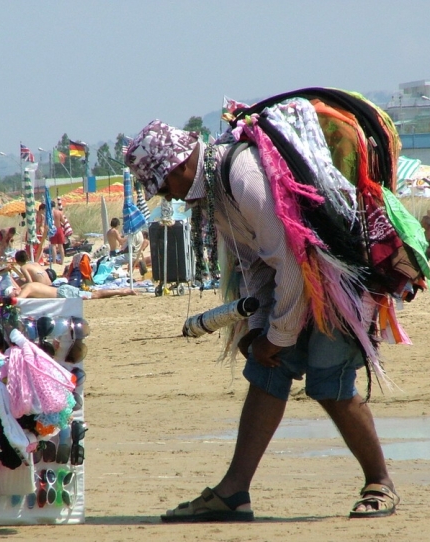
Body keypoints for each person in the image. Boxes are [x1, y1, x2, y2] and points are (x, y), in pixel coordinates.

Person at [125, 120, 399, 522]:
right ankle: (233, 493)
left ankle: (380, 482)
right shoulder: (216, 190)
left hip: (340, 276)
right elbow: (252, 262)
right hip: (300, 280)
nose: (172, 198)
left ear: (180, 167)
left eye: (165, 188)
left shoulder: (241, 174)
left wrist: (279, 336)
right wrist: (259, 331)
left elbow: (289, 261)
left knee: (329, 383)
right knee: (265, 371)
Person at [8, 281, 136, 299]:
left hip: (63, 293)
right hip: (62, 292)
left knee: (94, 295)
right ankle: (121, 290)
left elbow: (18, 301)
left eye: (13, 294)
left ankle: (122, 291)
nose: (14, 296)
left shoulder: (27, 288)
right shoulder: (25, 286)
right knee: (94, 295)